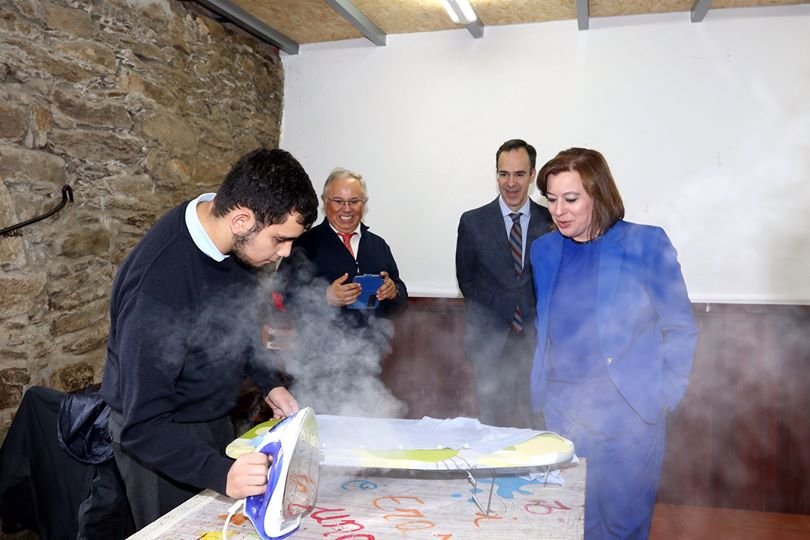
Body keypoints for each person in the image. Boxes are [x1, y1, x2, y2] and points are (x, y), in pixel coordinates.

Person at [99, 148, 319, 530]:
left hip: (212, 418)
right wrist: (221, 474)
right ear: (241, 220)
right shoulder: (158, 289)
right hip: (162, 441)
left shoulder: (235, 239)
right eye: (280, 240)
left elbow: (239, 322)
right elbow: (141, 425)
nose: (284, 253)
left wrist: (268, 382)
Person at [529, 147, 698, 539]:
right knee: (573, 523)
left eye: (571, 199)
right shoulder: (543, 250)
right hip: (563, 412)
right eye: (551, 199)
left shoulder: (646, 244)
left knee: (623, 527)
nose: (559, 211)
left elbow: (680, 327)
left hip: (628, 411)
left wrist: (664, 395)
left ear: (598, 195)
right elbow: (547, 325)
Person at [455, 139, 552, 428]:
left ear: (532, 175)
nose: (510, 183)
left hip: (538, 345)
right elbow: (467, 281)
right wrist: (501, 314)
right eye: (503, 174)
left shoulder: (552, 221)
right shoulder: (472, 222)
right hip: (490, 345)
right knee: (491, 427)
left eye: (519, 174)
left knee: (538, 425)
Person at [279, 167, 407, 326]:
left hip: (375, 339)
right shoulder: (303, 245)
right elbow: (281, 298)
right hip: (320, 341)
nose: (347, 208)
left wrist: (393, 292)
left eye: (354, 201)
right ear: (325, 202)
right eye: (338, 201)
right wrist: (324, 297)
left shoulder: (379, 245)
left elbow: (400, 303)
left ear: (364, 203)